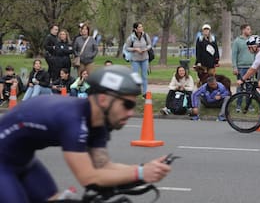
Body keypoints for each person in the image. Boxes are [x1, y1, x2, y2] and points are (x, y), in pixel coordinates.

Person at [0, 65, 171, 202]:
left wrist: (144, 169)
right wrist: (141, 174)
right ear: (103, 100)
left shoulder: (98, 122)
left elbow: (103, 166)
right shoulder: (73, 120)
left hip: (24, 161)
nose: (131, 113)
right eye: (127, 105)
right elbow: (89, 178)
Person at [125, 22, 152, 97]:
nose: (141, 28)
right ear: (135, 29)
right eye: (139, 27)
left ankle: (144, 93)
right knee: (135, 76)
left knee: (144, 76)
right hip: (135, 59)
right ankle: (134, 91)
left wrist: (146, 48)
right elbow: (127, 48)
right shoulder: (131, 38)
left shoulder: (145, 36)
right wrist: (135, 49)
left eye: (142, 26)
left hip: (144, 58)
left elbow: (150, 44)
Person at [231, 23, 254, 111]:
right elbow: (234, 55)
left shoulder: (252, 40)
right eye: (248, 29)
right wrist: (234, 67)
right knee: (240, 87)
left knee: (250, 87)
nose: (249, 31)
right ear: (243, 30)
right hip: (241, 68)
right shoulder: (237, 41)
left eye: (250, 29)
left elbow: (255, 53)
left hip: (251, 67)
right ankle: (238, 106)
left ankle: (249, 105)